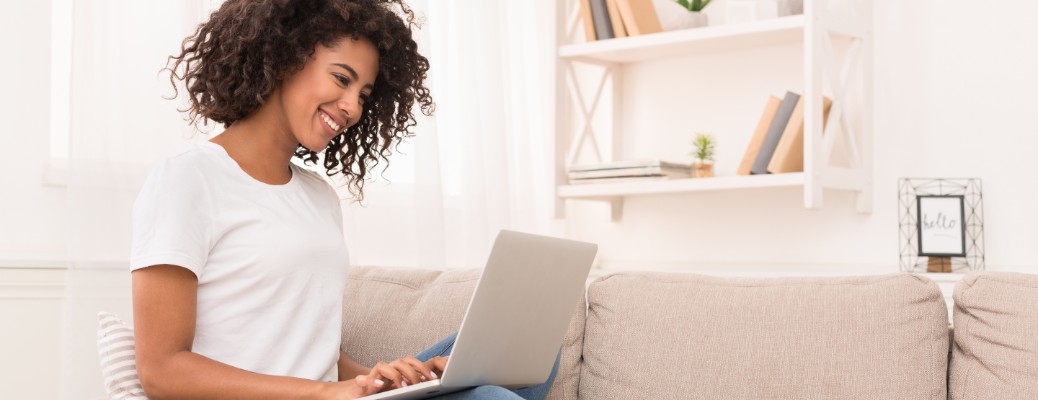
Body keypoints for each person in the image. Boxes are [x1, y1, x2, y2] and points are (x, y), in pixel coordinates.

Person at [130, 0, 556, 399]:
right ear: (284, 57)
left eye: (364, 95)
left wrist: (378, 378)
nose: (352, 107)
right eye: (341, 79)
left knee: (527, 352)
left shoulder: (317, 196)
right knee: (492, 396)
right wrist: (322, 393)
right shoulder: (189, 179)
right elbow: (161, 370)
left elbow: (317, 354)